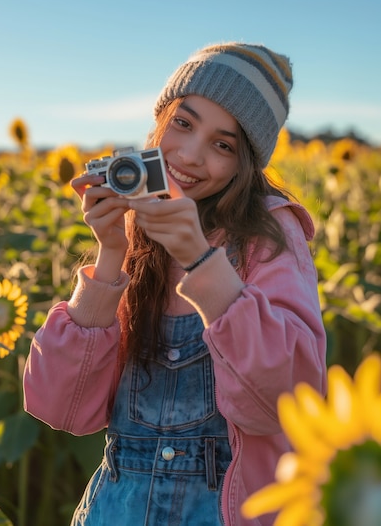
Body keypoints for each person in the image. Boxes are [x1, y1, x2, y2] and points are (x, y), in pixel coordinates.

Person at [23, 42, 327, 526]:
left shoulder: (269, 235)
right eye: (182, 124)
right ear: (160, 120)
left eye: (222, 145)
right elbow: (63, 408)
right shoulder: (140, 230)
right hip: (115, 511)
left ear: (245, 163)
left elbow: (286, 405)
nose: (189, 154)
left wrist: (200, 260)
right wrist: (110, 256)